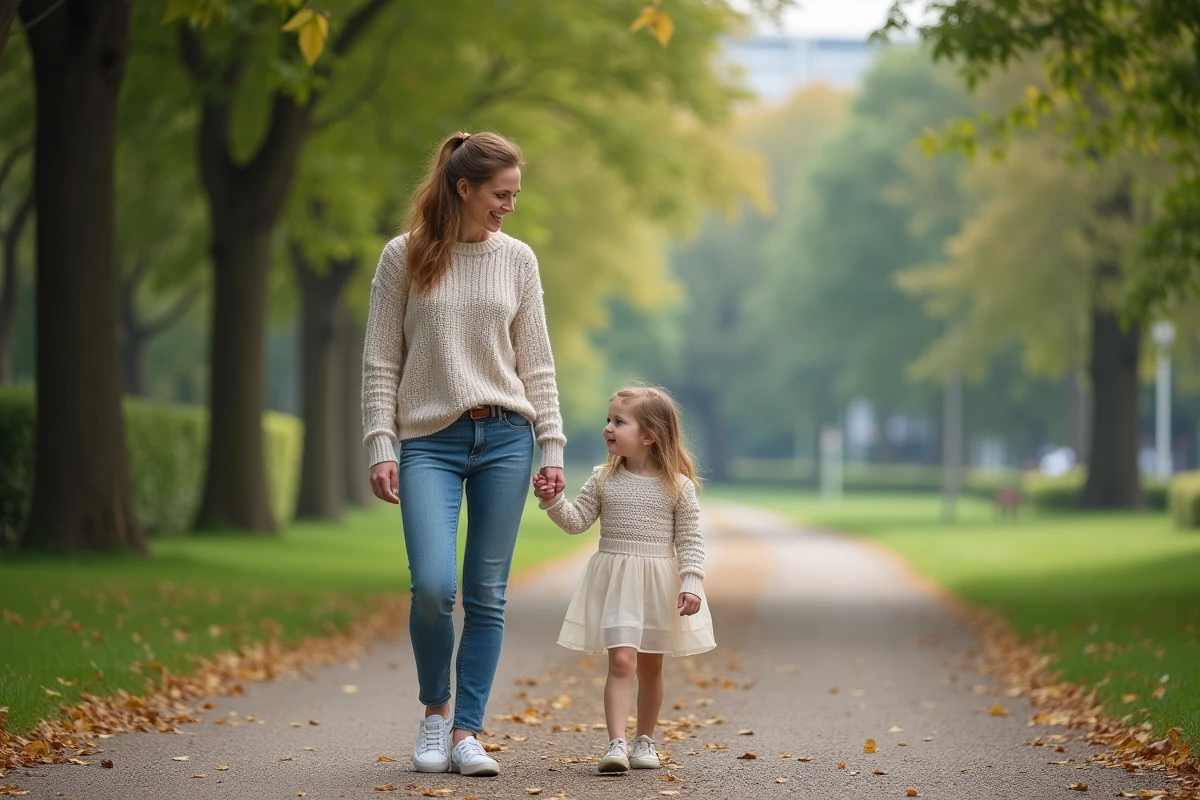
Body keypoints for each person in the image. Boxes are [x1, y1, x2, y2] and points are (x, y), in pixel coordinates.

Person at [361, 131, 567, 778]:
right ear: (464, 188)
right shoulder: (405, 256)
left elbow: (537, 362)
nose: (510, 206)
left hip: (507, 437)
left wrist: (551, 445)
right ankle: (433, 712)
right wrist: (380, 442)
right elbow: (379, 360)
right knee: (432, 586)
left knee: (486, 594)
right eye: (501, 195)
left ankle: (467, 733)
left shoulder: (519, 260)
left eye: (515, 195)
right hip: (430, 441)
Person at [531, 386, 716, 774]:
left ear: (649, 435)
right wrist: (552, 501)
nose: (608, 429)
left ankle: (644, 739)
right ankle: (615, 743)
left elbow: (691, 541)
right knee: (621, 662)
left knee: (650, 667)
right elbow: (576, 521)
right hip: (617, 583)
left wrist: (692, 582)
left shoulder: (677, 486)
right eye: (608, 420)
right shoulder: (602, 479)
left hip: (657, 585)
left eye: (619, 422)